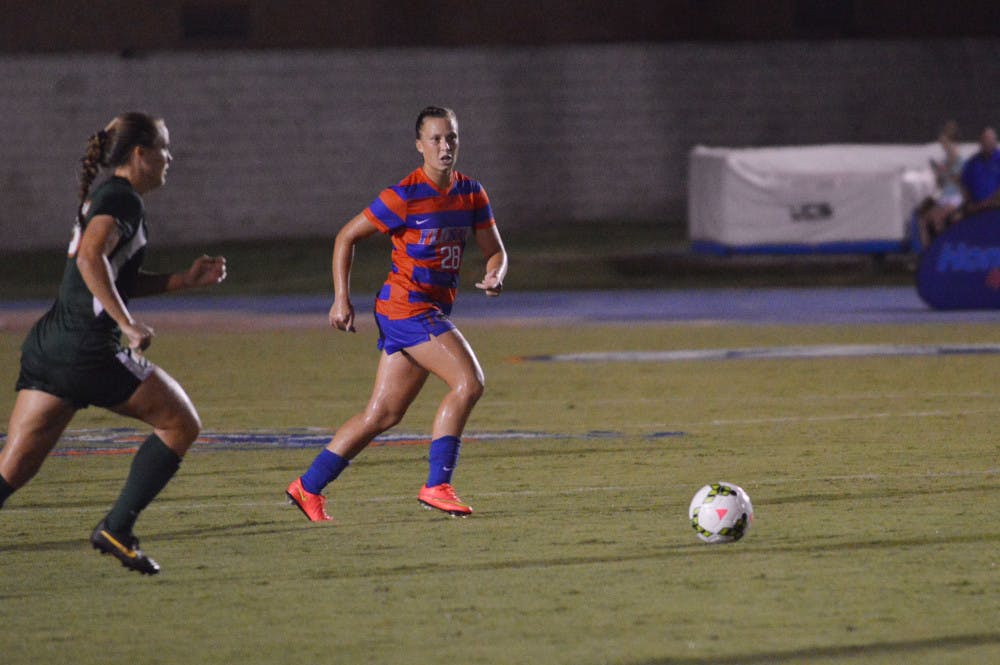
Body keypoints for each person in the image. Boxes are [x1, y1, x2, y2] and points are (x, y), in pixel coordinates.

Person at [0, 112, 227, 574]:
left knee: (13, 468)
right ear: (139, 154)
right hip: (89, 350)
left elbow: (109, 272)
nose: (171, 158)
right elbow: (90, 257)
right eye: (164, 148)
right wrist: (127, 324)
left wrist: (182, 280)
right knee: (181, 424)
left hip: (52, 345)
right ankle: (116, 528)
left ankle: (116, 529)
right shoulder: (123, 199)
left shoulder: (110, 197)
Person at [286, 106, 508, 522]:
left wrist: (496, 272)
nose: (445, 146)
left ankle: (307, 486)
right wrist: (341, 299)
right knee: (469, 382)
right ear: (419, 145)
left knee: (382, 414)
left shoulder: (471, 193)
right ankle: (437, 485)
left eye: (452, 138)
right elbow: (346, 237)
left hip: (428, 309)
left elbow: (495, 250)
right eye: (436, 139)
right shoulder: (404, 195)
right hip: (406, 307)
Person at [916, 120, 965, 249]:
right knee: (923, 221)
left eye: (944, 143)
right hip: (945, 195)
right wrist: (938, 174)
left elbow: (958, 180)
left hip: (955, 197)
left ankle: (943, 249)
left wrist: (945, 171)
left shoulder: (958, 159)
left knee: (938, 219)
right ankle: (926, 252)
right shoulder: (944, 160)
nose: (942, 146)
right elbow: (942, 184)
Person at [957, 126, 1000, 218]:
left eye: (989, 140)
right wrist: (969, 201)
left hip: (995, 208)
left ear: (995, 141)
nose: (987, 143)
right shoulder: (973, 162)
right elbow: (963, 182)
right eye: (984, 140)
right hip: (974, 209)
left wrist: (985, 204)